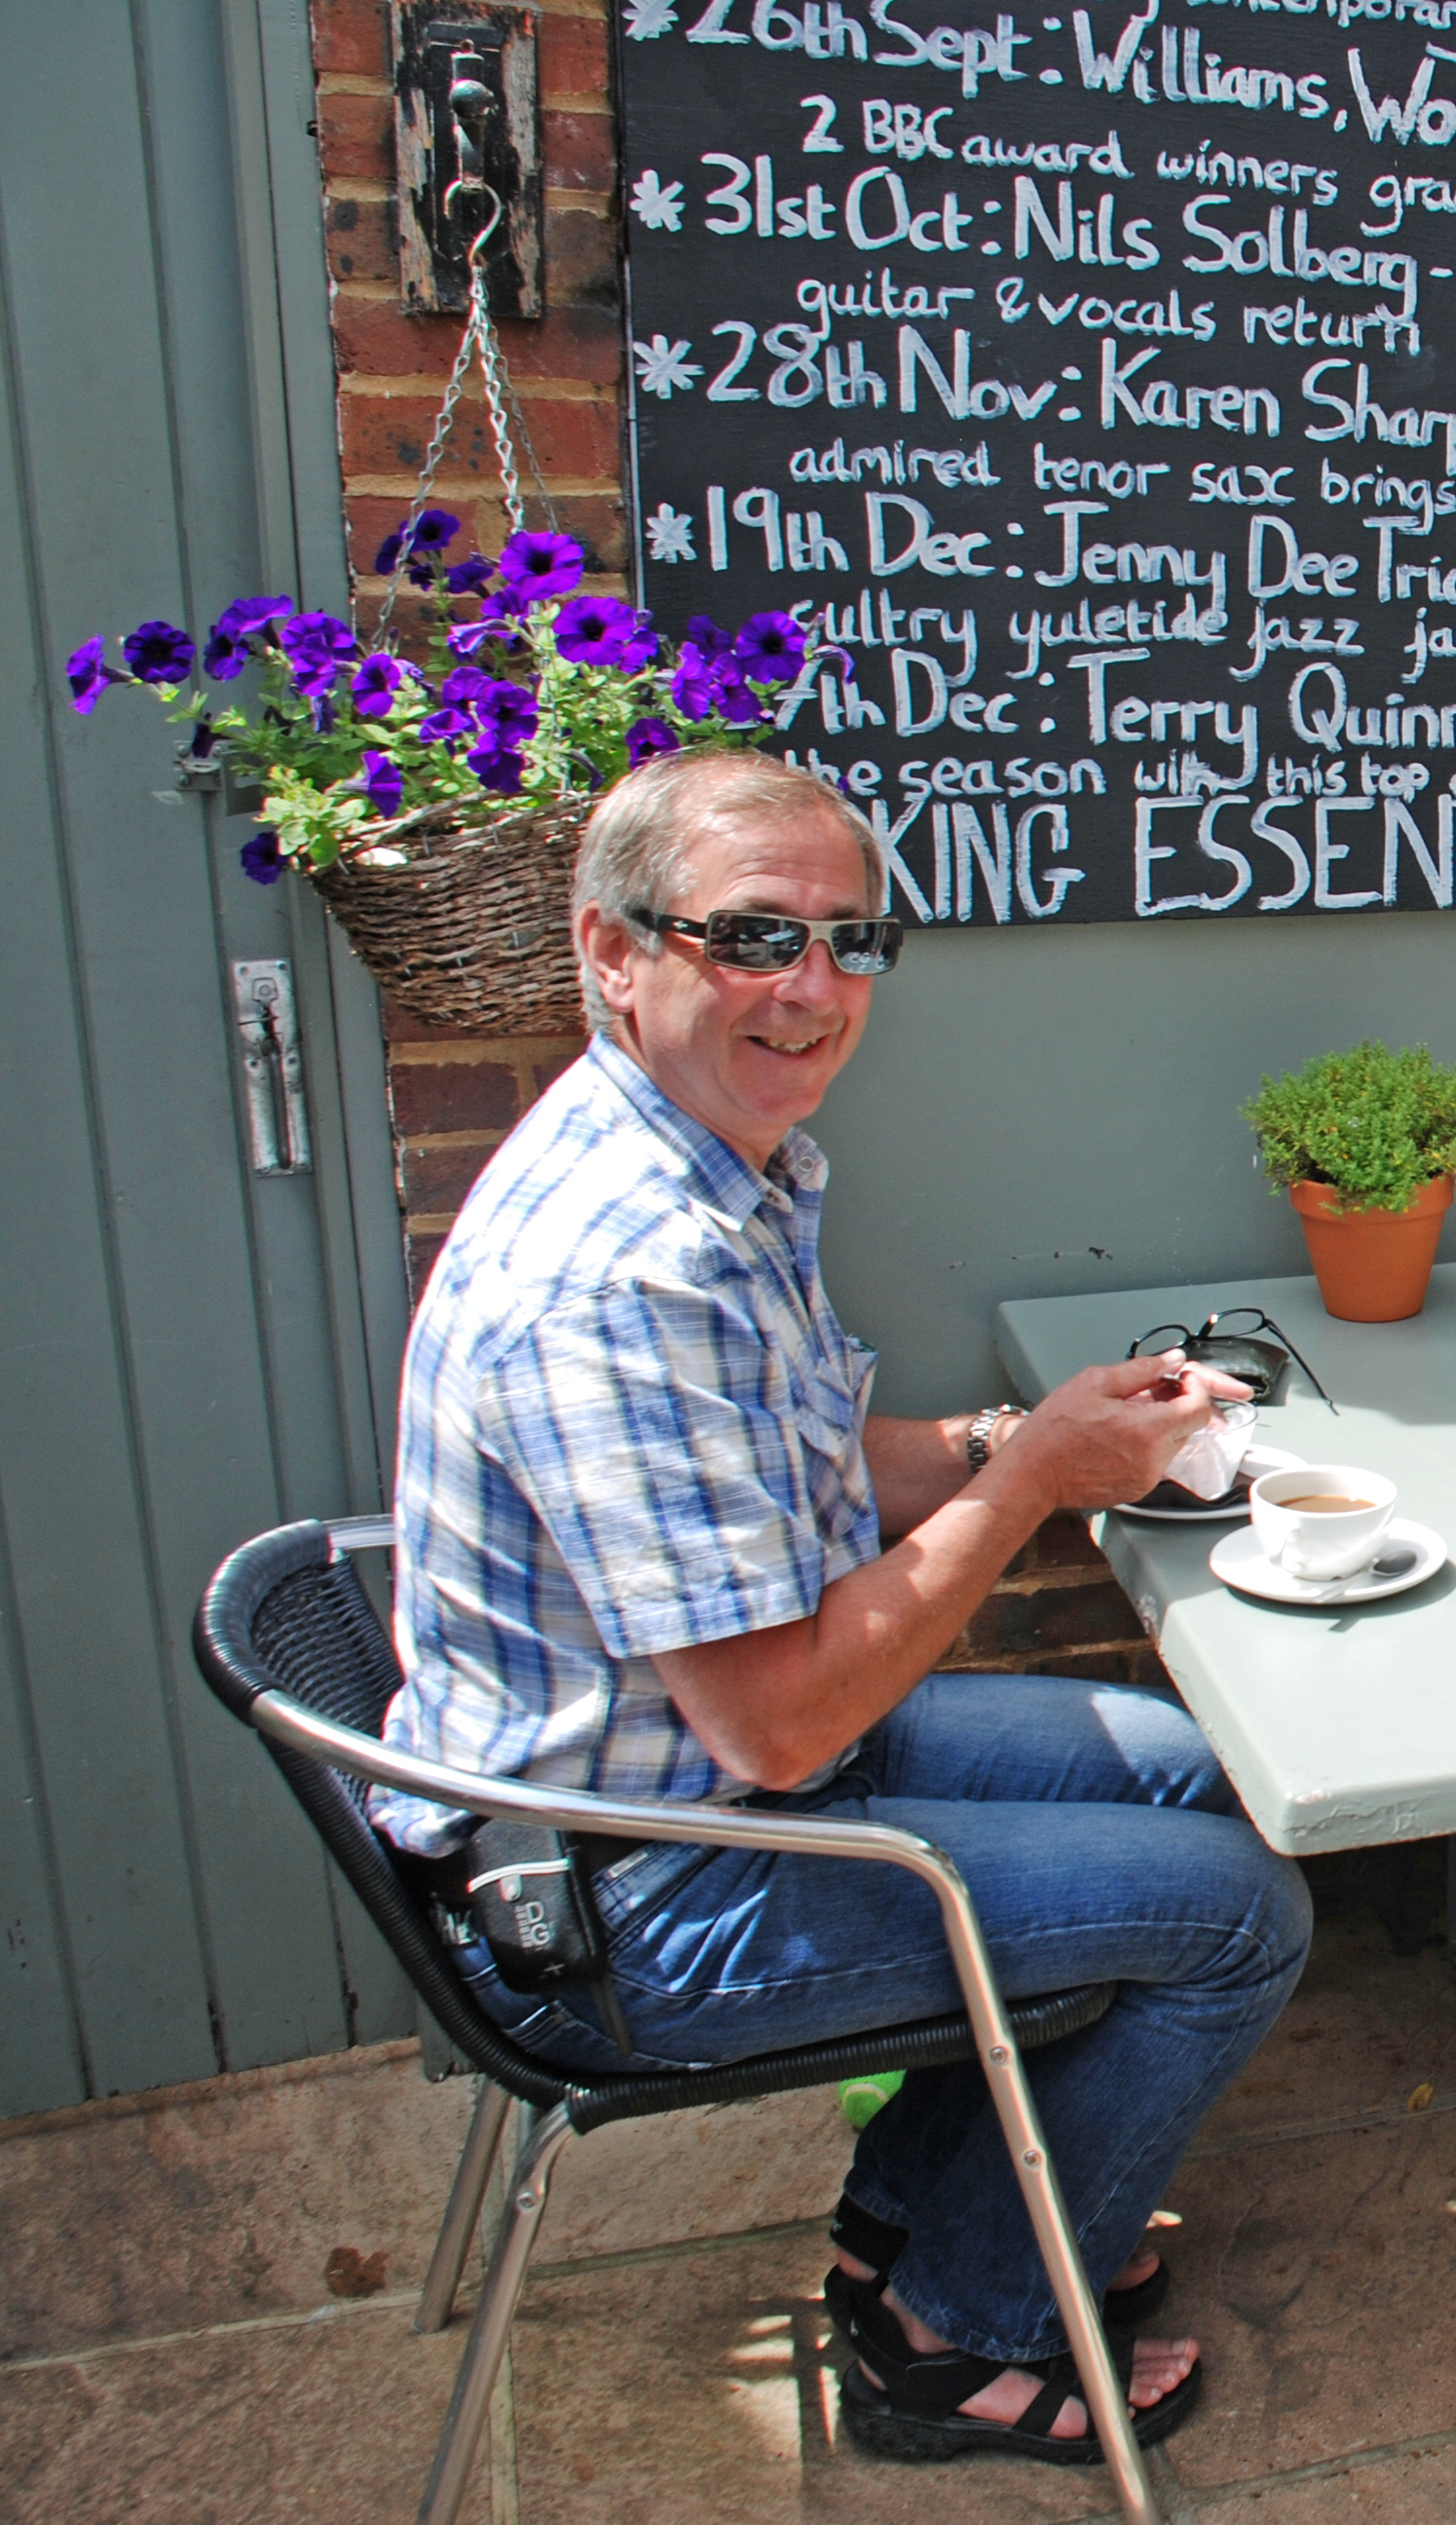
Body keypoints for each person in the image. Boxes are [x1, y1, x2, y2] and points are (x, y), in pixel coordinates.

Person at [373, 749, 1309, 2469]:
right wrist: (1029, 1484)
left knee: (1187, 1769)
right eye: (751, 937)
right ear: (611, 948)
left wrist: (1003, 1436)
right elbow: (785, 1720)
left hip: (687, 1777)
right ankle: (960, 2338)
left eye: (848, 938)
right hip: (628, 1884)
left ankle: (916, 2234)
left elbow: (798, 1474)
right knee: (1235, 1913)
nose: (811, 988)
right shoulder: (623, 1273)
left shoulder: (707, 1163)